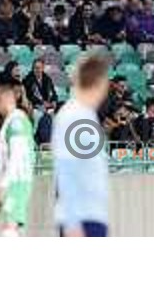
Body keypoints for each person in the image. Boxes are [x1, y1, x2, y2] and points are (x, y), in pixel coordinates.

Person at [52, 54, 110, 237]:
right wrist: (72, 222)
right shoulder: (75, 116)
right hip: (81, 219)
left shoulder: (86, 115)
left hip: (91, 214)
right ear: (99, 82)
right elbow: (66, 170)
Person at [0, 83, 35, 237]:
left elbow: (17, 155)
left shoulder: (16, 120)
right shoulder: (12, 120)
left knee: (10, 229)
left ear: (4, 99)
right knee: (12, 228)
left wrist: (3, 185)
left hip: (15, 183)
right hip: (14, 182)